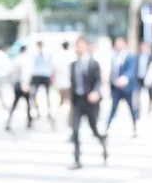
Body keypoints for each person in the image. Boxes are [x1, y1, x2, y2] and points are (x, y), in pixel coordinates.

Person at [70, 37, 107, 170]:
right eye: (76, 46)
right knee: (74, 130)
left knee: (94, 129)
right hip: (78, 101)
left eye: (80, 45)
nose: (77, 48)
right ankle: (77, 159)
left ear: (86, 46)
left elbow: (98, 81)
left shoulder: (93, 63)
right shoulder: (73, 65)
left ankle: (103, 142)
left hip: (91, 101)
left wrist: (95, 92)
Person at [106, 37, 139, 137]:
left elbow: (131, 70)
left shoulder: (130, 57)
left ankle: (135, 127)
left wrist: (124, 78)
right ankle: (107, 127)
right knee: (113, 108)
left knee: (132, 108)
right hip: (116, 88)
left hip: (127, 87)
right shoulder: (114, 57)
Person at [6, 45, 33, 131]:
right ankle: (29, 122)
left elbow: (11, 73)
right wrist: (25, 84)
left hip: (16, 84)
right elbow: (25, 73)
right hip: (23, 84)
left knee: (15, 104)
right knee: (28, 104)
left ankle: (9, 122)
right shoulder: (25, 59)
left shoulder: (16, 59)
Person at [31, 41, 54, 123]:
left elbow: (50, 65)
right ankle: (37, 110)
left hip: (45, 75)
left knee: (47, 94)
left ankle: (49, 110)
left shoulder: (47, 54)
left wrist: (51, 77)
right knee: (35, 94)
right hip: (37, 75)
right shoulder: (34, 54)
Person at [53, 42, 76, 109]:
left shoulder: (58, 55)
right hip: (69, 83)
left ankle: (60, 116)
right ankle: (69, 117)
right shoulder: (72, 55)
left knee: (61, 101)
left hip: (60, 83)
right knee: (70, 102)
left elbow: (54, 69)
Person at [135, 42, 152, 117]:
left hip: (148, 78)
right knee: (138, 95)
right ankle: (138, 111)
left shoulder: (151, 56)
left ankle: (150, 109)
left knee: (150, 94)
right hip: (139, 78)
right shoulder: (138, 56)